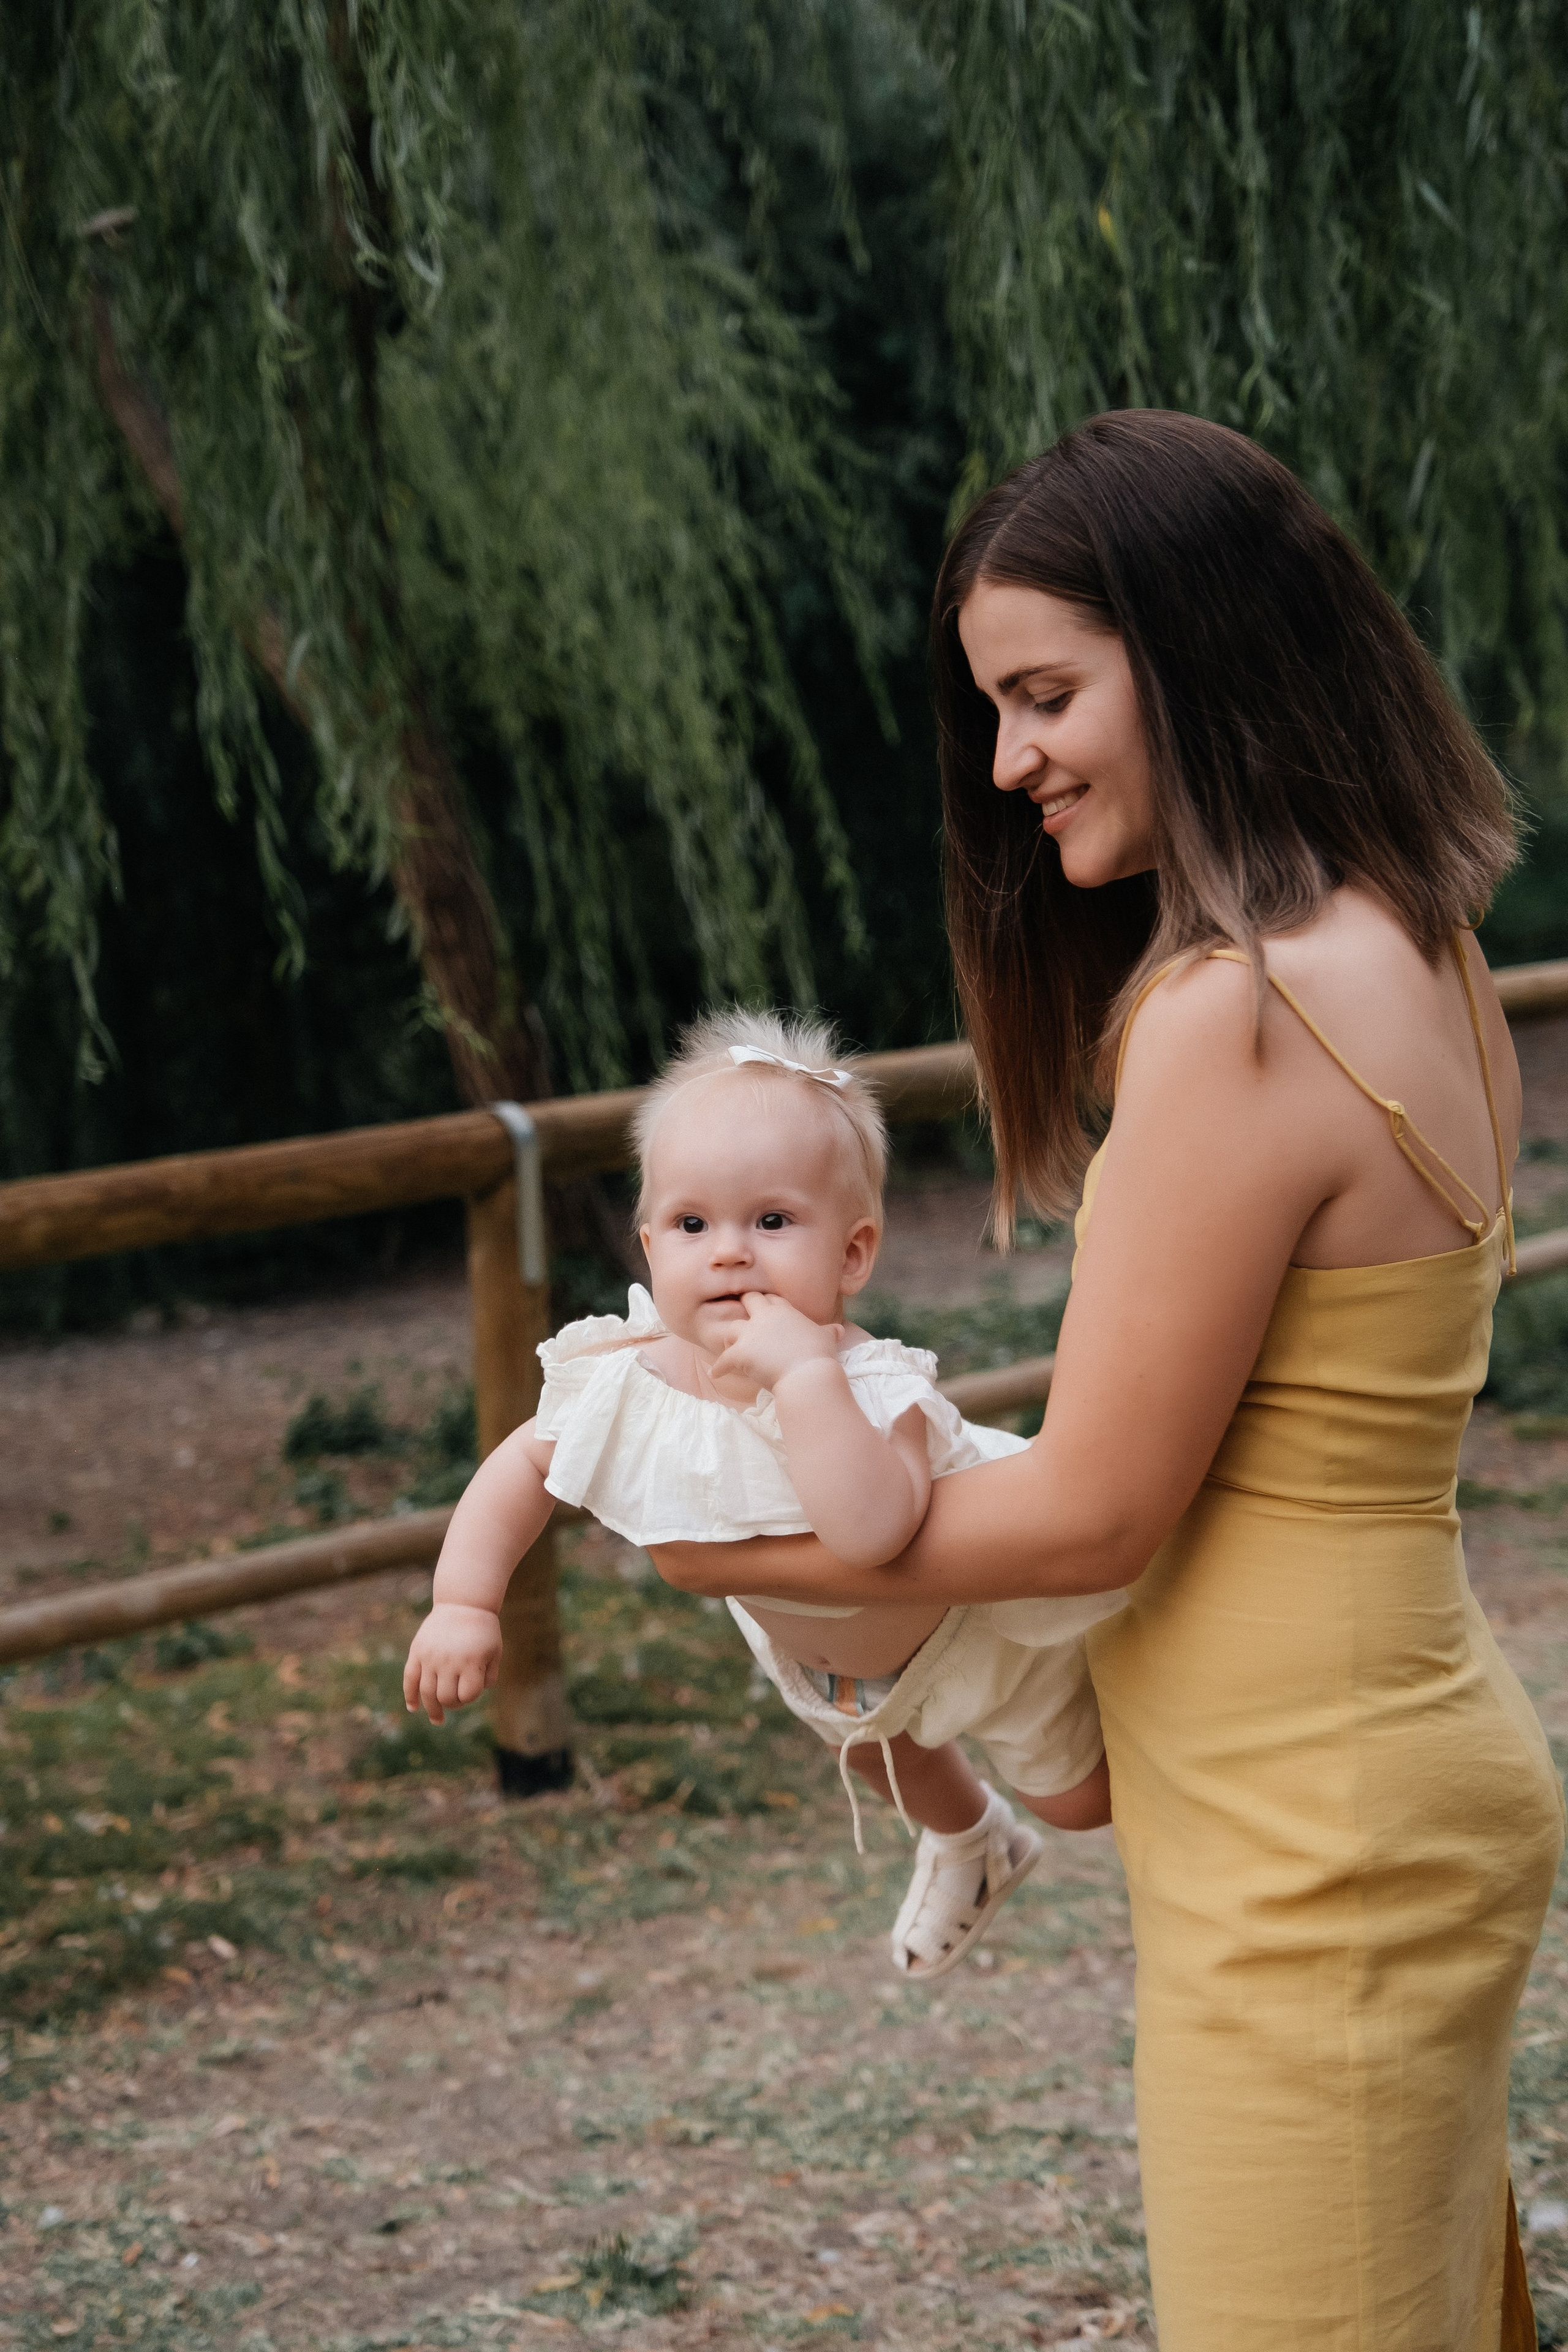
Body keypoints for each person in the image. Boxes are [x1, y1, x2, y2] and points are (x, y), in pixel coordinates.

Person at [650, 411, 1567, 2350]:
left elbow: (1095, 1505)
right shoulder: (1422, 939)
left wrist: (730, 1542)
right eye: (996, 707)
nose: (1009, 761)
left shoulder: (1245, 1008)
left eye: (1046, 692)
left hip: (1320, 1841)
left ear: (1202, 647)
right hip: (1355, 1781)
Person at [402, 1006, 1121, 1977]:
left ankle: (1145, 1706)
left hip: (978, 1633)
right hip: (836, 1671)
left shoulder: (871, 1386)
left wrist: (805, 1380)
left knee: (1082, 1803)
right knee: (873, 1751)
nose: (730, 1252)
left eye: (772, 1222)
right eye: (694, 1225)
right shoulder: (629, 1377)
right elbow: (524, 1465)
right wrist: (463, 1600)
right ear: (651, 1248)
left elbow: (875, 1533)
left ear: (852, 1256)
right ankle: (973, 1841)